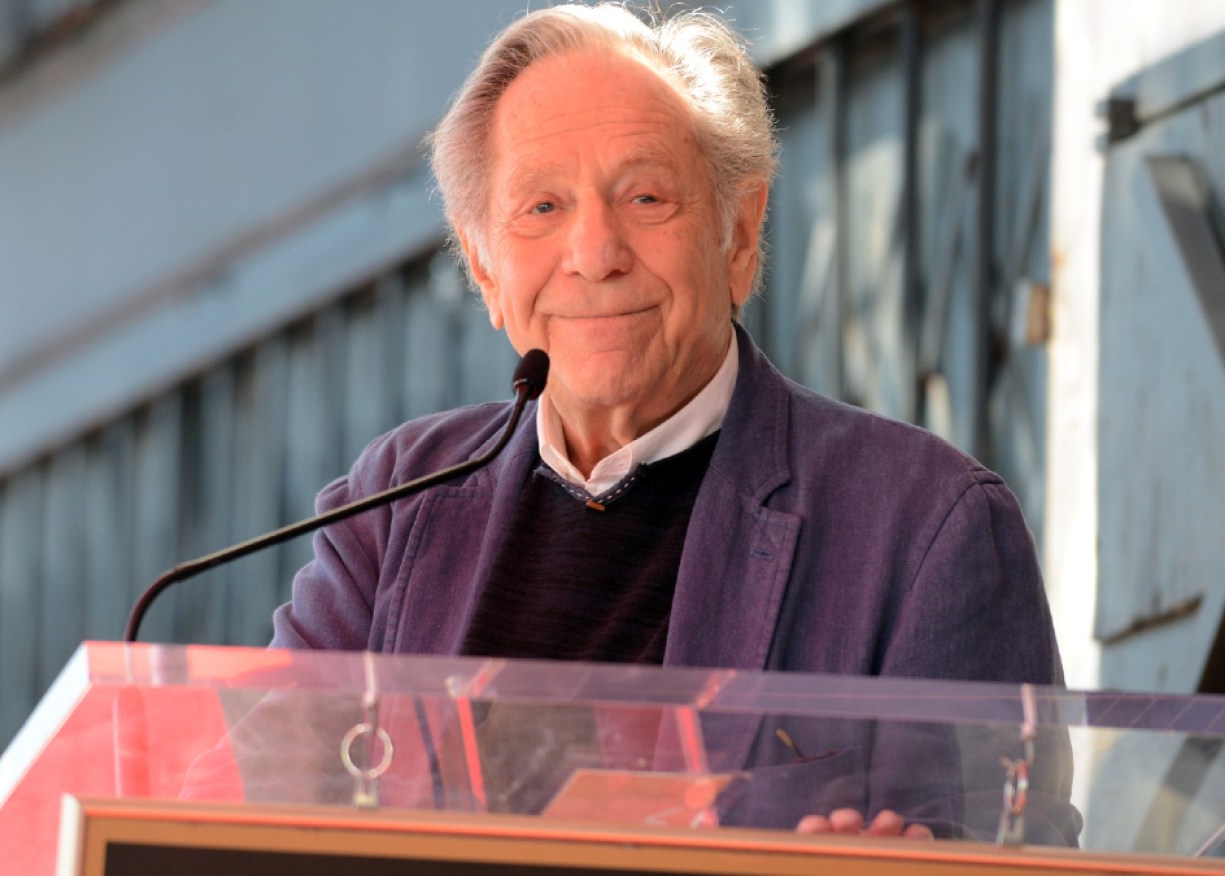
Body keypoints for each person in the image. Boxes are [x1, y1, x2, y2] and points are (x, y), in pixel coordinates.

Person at [270, 2, 1073, 841]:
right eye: (541, 208)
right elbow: (242, 806)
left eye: (645, 196)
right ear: (484, 267)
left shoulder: (927, 526)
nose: (595, 252)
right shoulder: (395, 503)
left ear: (739, 233)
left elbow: (1009, 848)